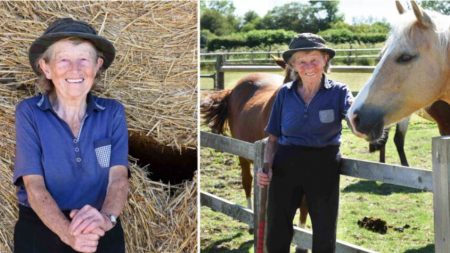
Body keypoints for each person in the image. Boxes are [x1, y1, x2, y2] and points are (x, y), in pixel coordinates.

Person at [13, 18, 129, 253]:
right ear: (46, 67)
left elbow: (118, 178)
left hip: (99, 225)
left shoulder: (113, 113)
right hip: (41, 228)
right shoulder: (30, 112)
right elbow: (34, 187)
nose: (75, 69)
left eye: (84, 59)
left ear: (97, 65)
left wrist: (106, 219)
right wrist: (69, 234)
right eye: (63, 60)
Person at [257, 33, 353, 253]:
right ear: (293, 65)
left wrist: (363, 124)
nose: (309, 66)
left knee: (324, 232)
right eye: (302, 61)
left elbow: (353, 117)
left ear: (325, 60)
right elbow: (272, 139)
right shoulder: (284, 94)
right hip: (286, 165)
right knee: (278, 231)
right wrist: (267, 167)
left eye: (314, 60)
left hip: (324, 166)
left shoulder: (339, 92)